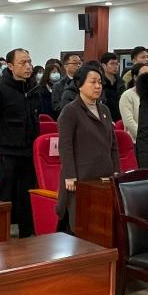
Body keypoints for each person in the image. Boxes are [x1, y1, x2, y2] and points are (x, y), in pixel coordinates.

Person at [0, 48, 41, 237]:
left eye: (29, 62)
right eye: (22, 63)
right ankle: (0, 233)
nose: (28, 66)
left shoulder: (33, 89)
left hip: (28, 151)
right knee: (4, 194)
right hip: (7, 152)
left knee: (26, 195)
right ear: (10, 66)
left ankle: (26, 232)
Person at [56, 63, 119, 232]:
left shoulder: (105, 110)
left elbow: (113, 144)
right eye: (93, 82)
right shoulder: (70, 111)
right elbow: (65, 146)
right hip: (81, 177)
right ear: (80, 85)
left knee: (103, 226)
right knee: (81, 225)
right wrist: (70, 175)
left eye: (100, 82)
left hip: (104, 176)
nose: (98, 86)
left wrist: (116, 171)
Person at [118, 63, 148, 142]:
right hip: (135, 141)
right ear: (135, 77)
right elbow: (129, 122)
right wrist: (143, 137)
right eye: (144, 75)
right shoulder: (127, 95)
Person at [99, 52, 125, 122]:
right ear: (104, 66)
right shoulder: (100, 83)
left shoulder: (121, 83)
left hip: (120, 118)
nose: (115, 66)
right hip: (105, 118)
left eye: (117, 64)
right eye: (112, 64)